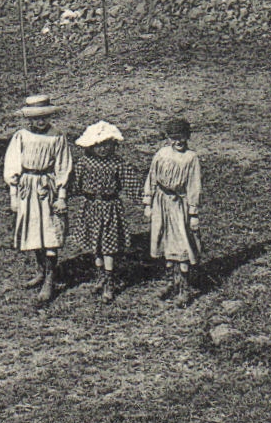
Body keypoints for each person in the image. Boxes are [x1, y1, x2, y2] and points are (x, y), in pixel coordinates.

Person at [3, 94, 75, 305]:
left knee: (50, 231)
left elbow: (63, 167)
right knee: (33, 229)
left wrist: (61, 196)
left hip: (48, 187)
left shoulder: (57, 136)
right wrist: (14, 195)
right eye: (36, 118)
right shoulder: (21, 136)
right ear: (29, 119)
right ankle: (40, 271)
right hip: (27, 187)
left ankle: (50, 280)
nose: (40, 121)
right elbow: (12, 165)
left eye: (44, 117)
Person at [69, 120, 138, 304]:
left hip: (110, 208)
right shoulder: (84, 163)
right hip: (90, 207)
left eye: (107, 144)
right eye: (98, 145)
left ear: (114, 145)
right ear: (90, 146)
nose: (102, 149)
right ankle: (100, 275)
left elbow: (131, 185)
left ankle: (109, 281)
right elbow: (75, 185)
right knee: (95, 244)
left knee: (108, 244)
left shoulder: (117, 163)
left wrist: (144, 200)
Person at [143, 117, 203, 306]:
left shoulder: (191, 158)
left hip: (179, 204)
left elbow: (194, 185)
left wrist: (193, 213)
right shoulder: (161, 154)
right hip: (161, 202)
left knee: (181, 243)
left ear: (188, 137)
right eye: (174, 138)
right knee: (164, 241)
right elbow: (152, 177)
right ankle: (173, 282)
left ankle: (184, 288)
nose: (178, 142)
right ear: (168, 138)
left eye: (182, 137)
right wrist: (148, 202)